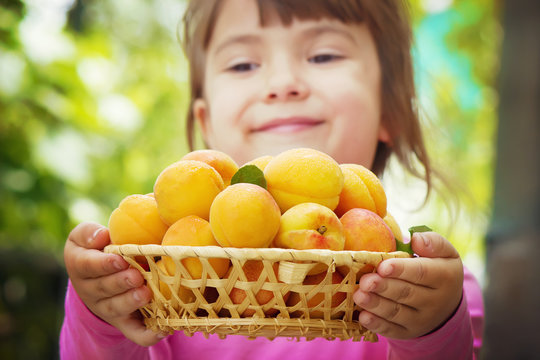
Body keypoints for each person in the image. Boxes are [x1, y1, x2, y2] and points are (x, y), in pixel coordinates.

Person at [60, 0, 484, 359]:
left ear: (390, 112)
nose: (282, 84)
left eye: (323, 56)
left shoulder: (419, 283)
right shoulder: (166, 273)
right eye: (244, 63)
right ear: (206, 124)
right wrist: (105, 312)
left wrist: (434, 329)